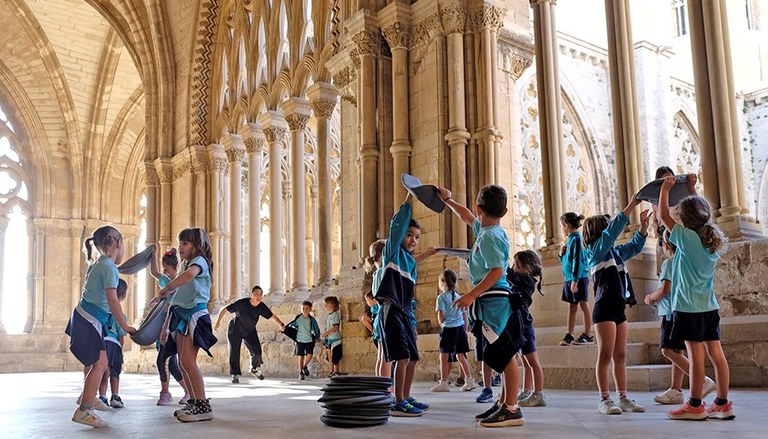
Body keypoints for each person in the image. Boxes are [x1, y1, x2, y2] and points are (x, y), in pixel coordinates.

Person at [440, 184, 525, 428]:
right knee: (498, 353)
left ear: (480, 208)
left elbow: (498, 269)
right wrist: (449, 201)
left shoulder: (489, 236)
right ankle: (503, 402)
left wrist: (471, 295)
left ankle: (512, 408)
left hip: (496, 301)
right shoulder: (487, 230)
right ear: (505, 211)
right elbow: (467, 217)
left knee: (505, 354)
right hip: (491, 301)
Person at [658, 175, 734, 420]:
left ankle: (695, 405)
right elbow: (702, 212)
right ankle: (722, 403)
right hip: (709, 307)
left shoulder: (687, 238)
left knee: (695, 357)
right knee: (717, 355)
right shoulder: (711, 240)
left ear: (685, 220)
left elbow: (662, 217)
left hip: (689, 308)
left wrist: (665, 189)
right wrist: (691, 188)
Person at [583, 198, 651, 415]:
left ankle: (622, 397)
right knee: (605, 355)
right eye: (607, 226)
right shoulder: (596, 252)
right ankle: (604, 399)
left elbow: (634, 246)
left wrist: (642, 228)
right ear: (599, 232)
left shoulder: (615, 253)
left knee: (620, 356)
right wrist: (631, 205)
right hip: (603, 310)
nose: (612, 231)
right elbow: (611, 233)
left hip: (619, 309)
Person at [372, 193, 437, 417]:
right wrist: (411, 197)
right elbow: (397, 225)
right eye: (409, 235)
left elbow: (411, 262)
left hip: (405, 313)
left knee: (413, 358)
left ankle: (405, 396)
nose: (413, 240)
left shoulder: (409, 262)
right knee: (402, 357)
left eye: (417, 237)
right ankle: (398, 401)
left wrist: (425, 255)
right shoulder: (391, 251)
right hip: (390, 311)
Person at [65, 226, 136, 428]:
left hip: (87, 318)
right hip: (89, 320)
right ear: (118, 243)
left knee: (101, 363)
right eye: (123, 246)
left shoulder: (98, 264)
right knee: (100, 363)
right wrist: (125, 326)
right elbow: (113, 301)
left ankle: (88, 396)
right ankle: (84, 410)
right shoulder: (109, 268)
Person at [645, 230, 716, 405]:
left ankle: (702, 380)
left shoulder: (670, 263)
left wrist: (650, 298)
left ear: (666, 245)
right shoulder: (683, 260)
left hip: (670, 312)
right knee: (677, 351)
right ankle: (676, 390)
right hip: (679, 310)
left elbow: (665, 289)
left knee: (667, 350)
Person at [157, 228, 218, 422]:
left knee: (189, 362)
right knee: (183, 362)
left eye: (184, 243)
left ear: (196, 246)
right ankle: (194, 401)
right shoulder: (185, 266)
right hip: (182, 316)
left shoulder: (198, 262)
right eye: (179, 242)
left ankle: (203, 405)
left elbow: (191, 275)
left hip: (195, 316)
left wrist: (168, 286)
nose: (180, 247)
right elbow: (179, 293)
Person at [214, 285, 285, 383]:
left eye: (260, 294)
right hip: (235, 330)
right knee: (234, 351)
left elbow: (272, 316)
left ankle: (254, 369)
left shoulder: (261, 306)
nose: (258, 296)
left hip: (249, 331)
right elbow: (225, 309)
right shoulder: (242, 303)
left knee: (257, 352)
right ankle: (235, 375)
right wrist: (218, 322)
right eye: (256, 293)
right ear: (251, 294)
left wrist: (281, 324)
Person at [149, 246, 189, 406]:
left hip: (172, 325)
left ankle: (166, 393)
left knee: (163, 360)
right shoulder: (165, 280)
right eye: (163, 266)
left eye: (166, 267)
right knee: (170, 364)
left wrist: (166, 328)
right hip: (162, 324)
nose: (164, 270)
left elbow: (172, 305)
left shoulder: (179, 283)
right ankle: (188, 391)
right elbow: (154, 273)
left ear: (175, 267)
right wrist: (153, 255)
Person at [508, 250, 547, 408]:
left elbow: (510, 275)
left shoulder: (527, 280)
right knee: (525, 361)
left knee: (533, 362)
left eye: (517, 265)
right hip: (518, 325)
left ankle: (539, 394)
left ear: (527, 267)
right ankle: (527, 390)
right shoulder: (520, 279)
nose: (514, 267)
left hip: (525, 326)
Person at [431, 269, 476, 393]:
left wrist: (441, 324)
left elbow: (441, 315)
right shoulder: (459, 296)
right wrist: (466, 328)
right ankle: (469, 380)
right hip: (460, 328)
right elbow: (465, 315)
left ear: (443, 282)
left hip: (448, 329)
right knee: (461, 355)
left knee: (444, 356)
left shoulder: (441, 298)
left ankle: (444, 382)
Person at [558, 212, 593, 346]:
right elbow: (567, 260)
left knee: (583, 304)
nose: (562, 228)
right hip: (569, 278)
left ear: (566, 225)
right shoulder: (570, 240)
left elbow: (578, 260)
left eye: (562, 225)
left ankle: (588, 334)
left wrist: (575, 280)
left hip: (578, 277)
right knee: (572, 307)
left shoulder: (577, 239)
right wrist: (561, 255)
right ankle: (569, 334)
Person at [365, 240, 391, 379]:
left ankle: (381, 387)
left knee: (382, 354)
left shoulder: (376, 274)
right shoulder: (383, 271)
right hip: (387, 313)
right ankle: (388, 389)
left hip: (381, 315)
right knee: (387, 356)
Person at [103, 279, 129, 409]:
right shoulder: (121, 315)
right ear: (123, 295)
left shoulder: (101, 311)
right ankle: (115, 396)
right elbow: (121, 336)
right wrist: (120, 350)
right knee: (115, 373)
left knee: (103, 372)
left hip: (102, 343)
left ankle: (102, 396)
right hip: (114, 345)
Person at [287, 300, 321, 380]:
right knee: (301, 356)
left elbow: (316, 328)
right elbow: (291, 325)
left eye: (307, 308)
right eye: (303, 308)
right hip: (300, 340)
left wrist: (317, 336)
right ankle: (300, 372)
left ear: (310, 309)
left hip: (309, 340)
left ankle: (304, 366)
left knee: (309, 355)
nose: (305, 310)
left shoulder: (312, 319)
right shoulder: (298, 318)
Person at [320, 296, 343, 378]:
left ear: (333, 305)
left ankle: (336, 371)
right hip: (329, 339)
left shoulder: (335, 315)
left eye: (327, 304)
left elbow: (335, 327)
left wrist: (326, 333)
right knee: (329, 356)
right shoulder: (329, 315)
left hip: (335, 338)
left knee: (335, 356)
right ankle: (331, 371)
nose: (325, 306)